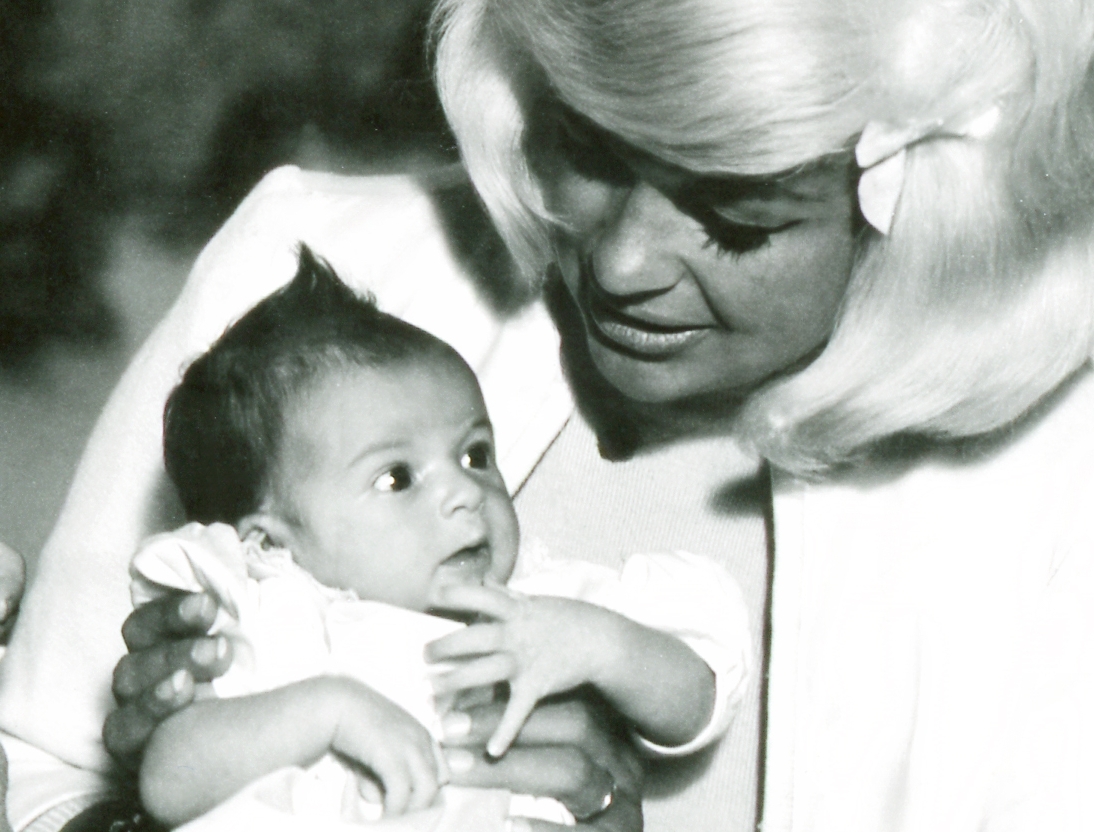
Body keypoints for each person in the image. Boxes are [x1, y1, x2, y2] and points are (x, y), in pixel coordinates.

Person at [1, 0, 1094, 830]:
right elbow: (35, 775)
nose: (624, 263)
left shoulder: (1063, 471)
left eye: (731, 214)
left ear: (923, 204)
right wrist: (172, 792)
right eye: (587, 147)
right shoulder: (319, 281)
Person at [131, 245, 747, 829]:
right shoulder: (281, 618)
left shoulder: (536, 605)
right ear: (270, 545)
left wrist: (603, 645)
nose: (464, 491)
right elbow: (168, 781)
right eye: (397, 476)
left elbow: (700, 691)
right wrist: (328, 711)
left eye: (476, 454)